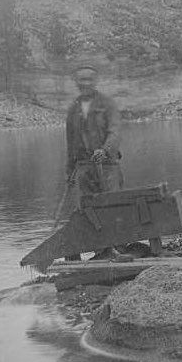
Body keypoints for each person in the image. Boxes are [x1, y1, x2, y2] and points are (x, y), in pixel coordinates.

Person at [66, 64, 124, 259]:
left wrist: (105, 150)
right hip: (83, 168)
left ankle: (114, 248)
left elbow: (114, 132)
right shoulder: (73, 109)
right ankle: (95, 251)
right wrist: (69, 171)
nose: (85, 84)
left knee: (110, 206)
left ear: (95, 81)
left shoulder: (107, 104)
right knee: (85, 209)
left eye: (89, 79)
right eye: (81, 80)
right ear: (76, 82)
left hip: (107, 166)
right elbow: (70, 142)